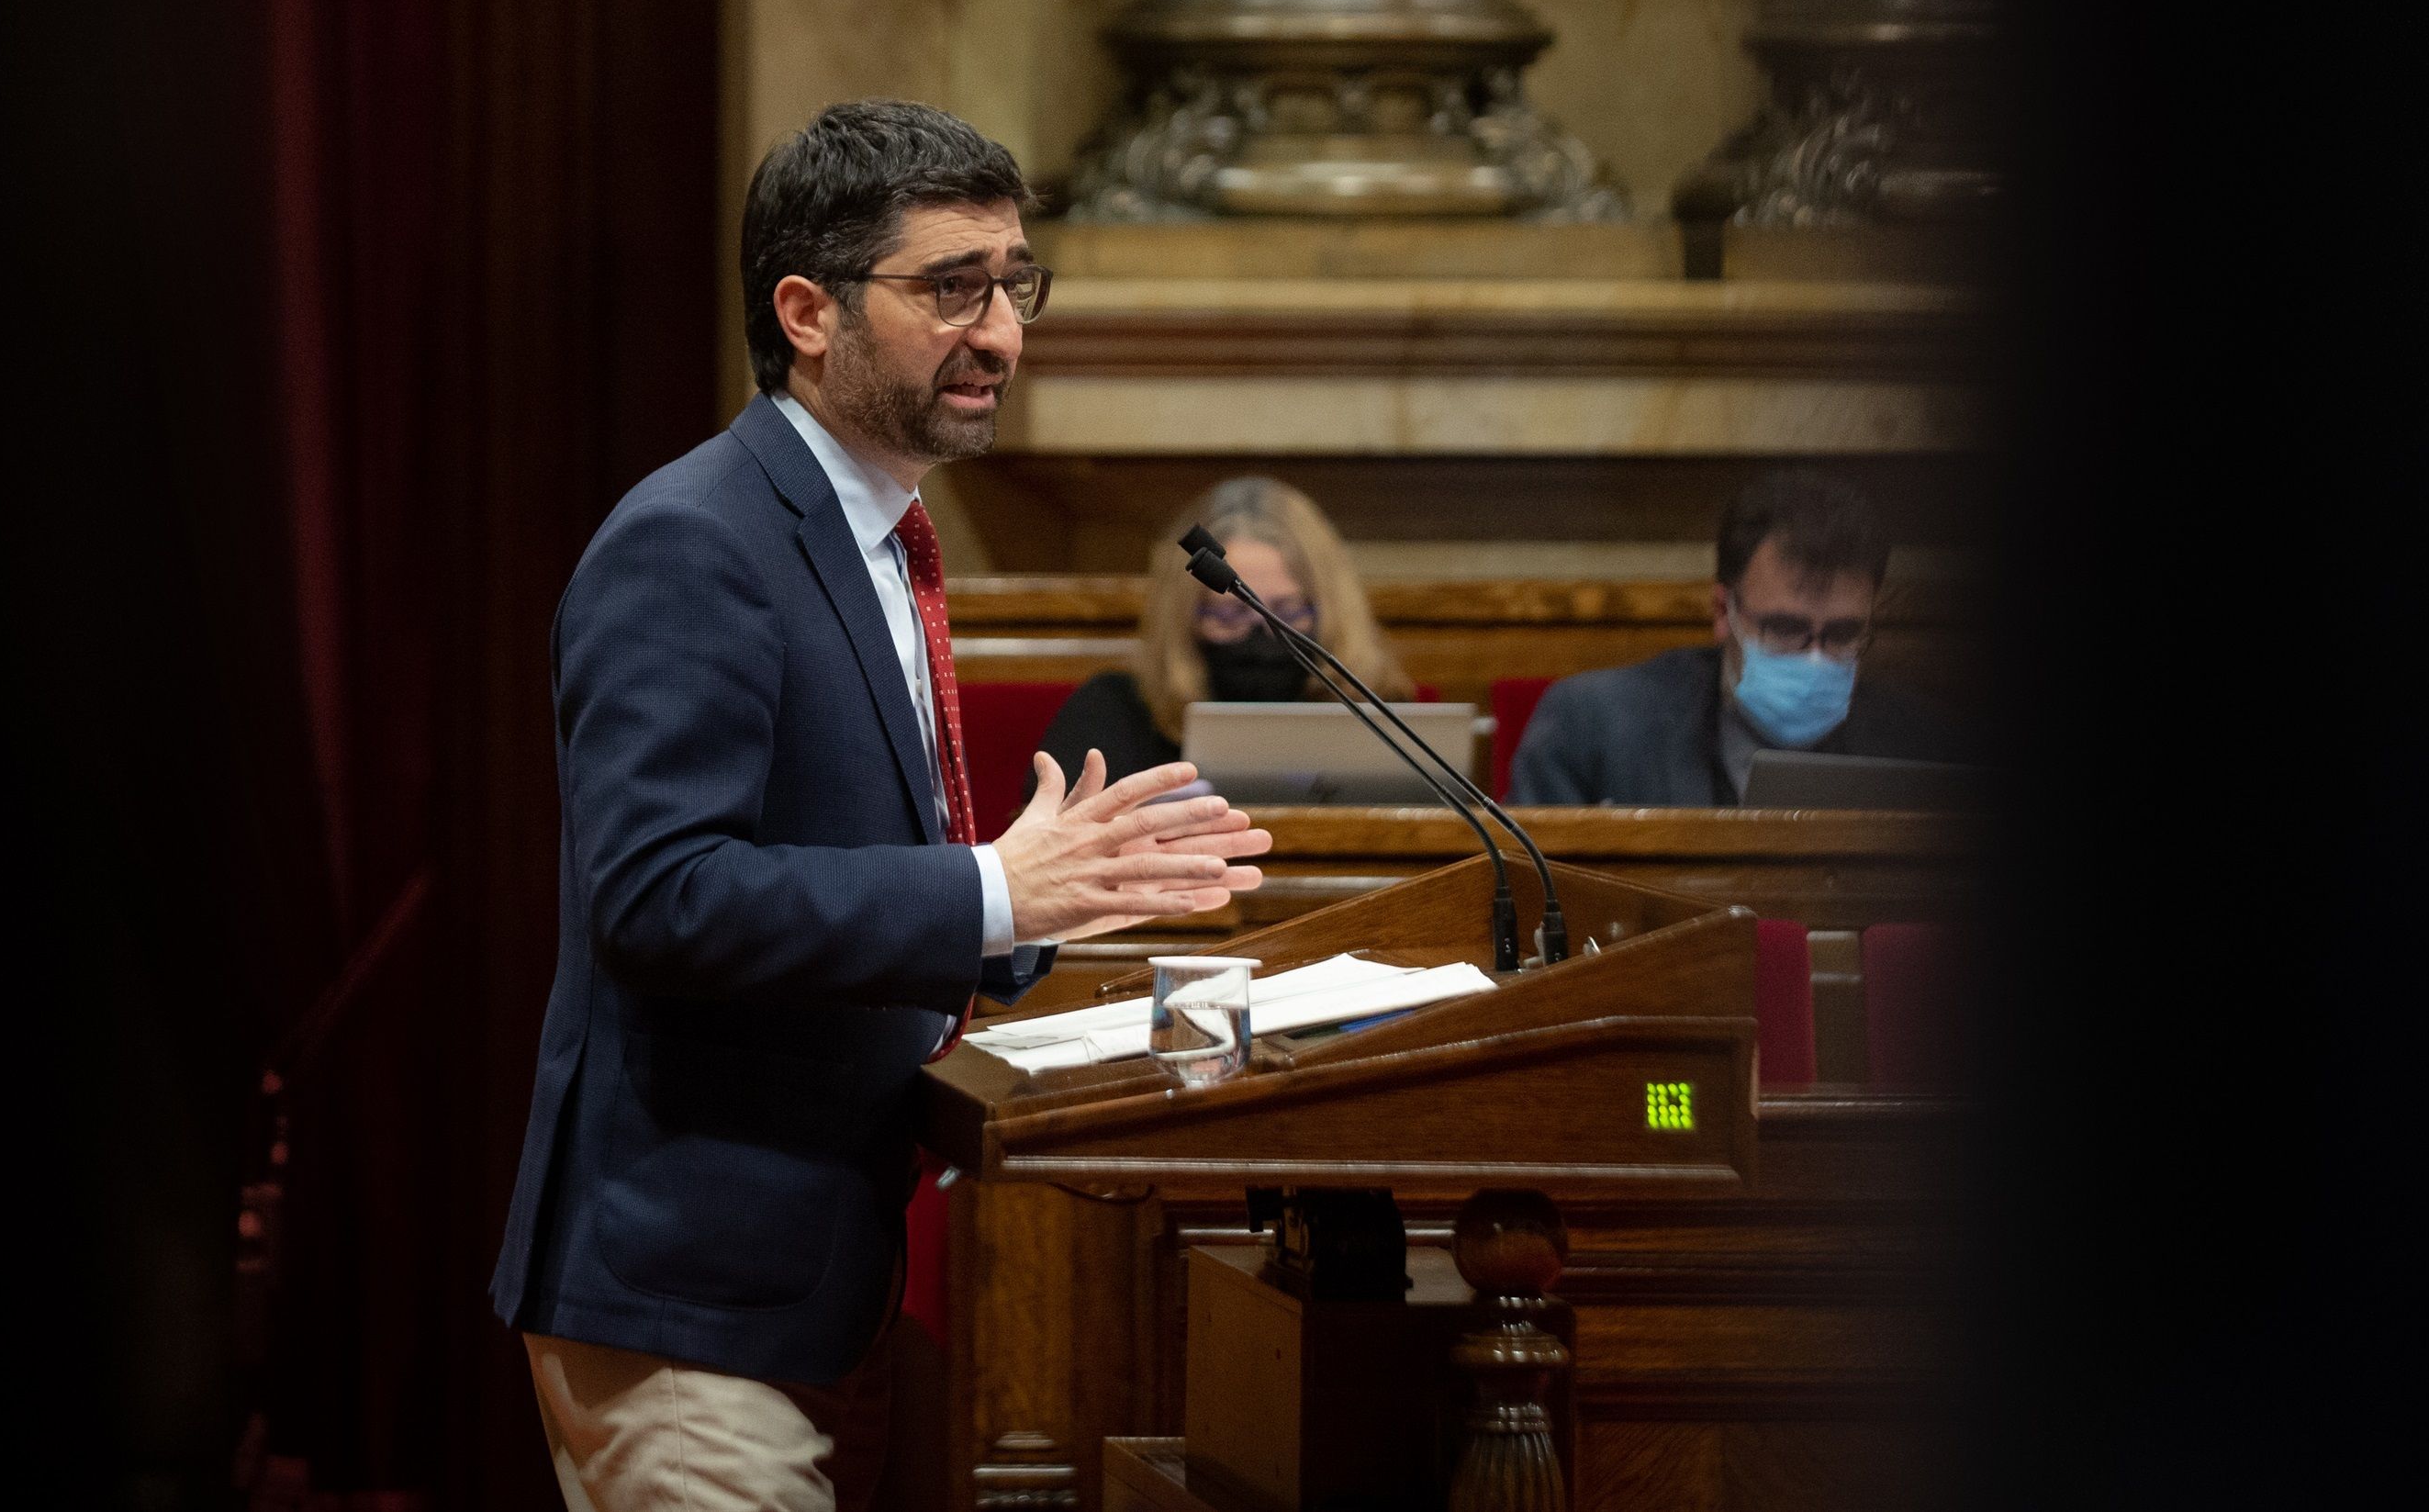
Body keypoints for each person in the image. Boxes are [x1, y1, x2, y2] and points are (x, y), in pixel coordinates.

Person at [491, 101, 1273, 1512]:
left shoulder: (880, 535)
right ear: (807, 309)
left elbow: (863, 878)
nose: (1001, 332)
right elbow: (660, 896)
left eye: (1015, 283)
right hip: (690, 1295)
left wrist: (1045, 898)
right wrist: (989, 889)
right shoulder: (695, 540)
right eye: (949, 287)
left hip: (815, 1284)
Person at [1508, 470, 1954, 805]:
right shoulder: (1594, 729)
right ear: (1723, 611)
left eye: (1842, 634)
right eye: (1785, 628)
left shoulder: (1932, 750)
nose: (1815, 658)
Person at [1038, 476, 1415, 779]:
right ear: (1187, 616)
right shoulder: (1113, 714)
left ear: (1329, 610)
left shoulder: (1380, 717)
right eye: (1229, 615)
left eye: (1287, 612)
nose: (1258, 634)